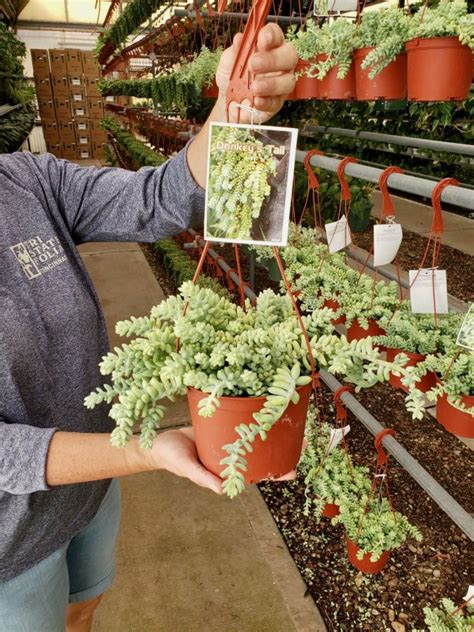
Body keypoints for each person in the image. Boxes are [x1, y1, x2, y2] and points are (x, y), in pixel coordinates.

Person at [0, 24, 297, 632]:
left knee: (83, 610)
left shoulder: (22, 181)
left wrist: (231, 107)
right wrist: (144, 449)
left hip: (90, 491)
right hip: (12, 548)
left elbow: (152, 198)